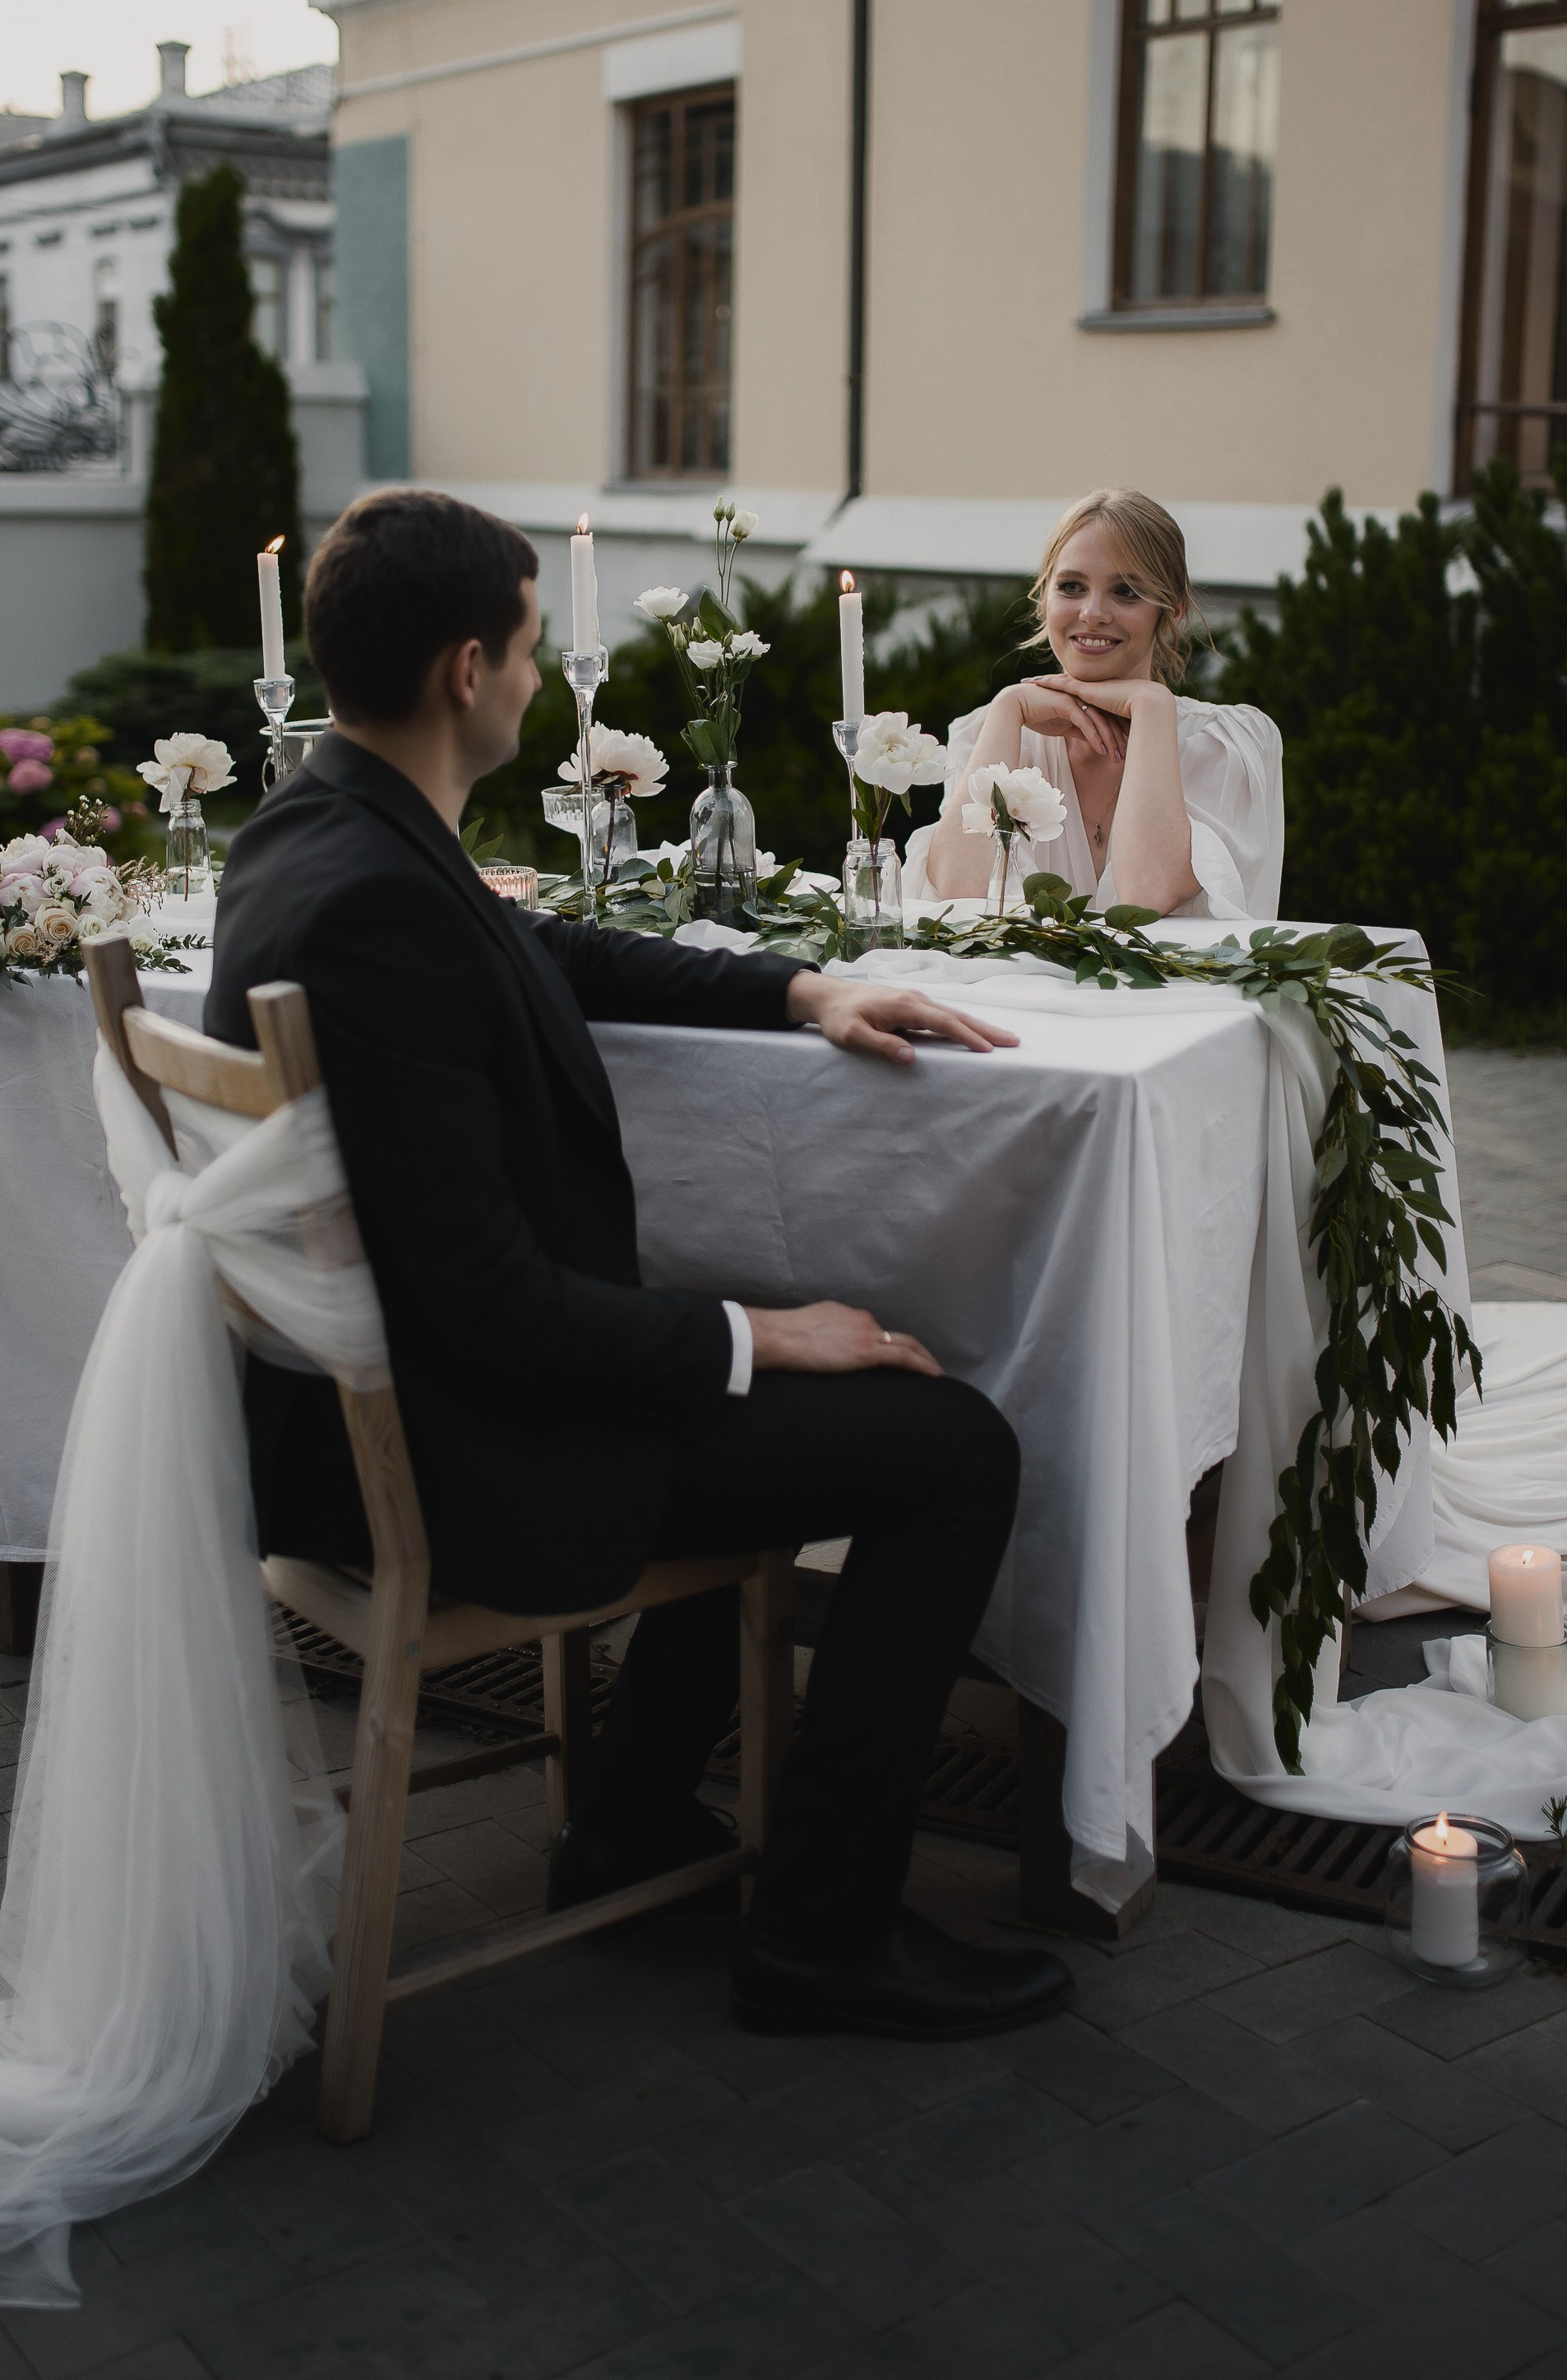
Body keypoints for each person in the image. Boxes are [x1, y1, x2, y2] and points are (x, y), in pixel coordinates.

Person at [206, 488, 1071, 2042]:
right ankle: (821, 1934)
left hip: (373, 1406)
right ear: (468, 668)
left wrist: (803, 990)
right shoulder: (373, 905)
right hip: (454, 1458)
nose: (541, 679)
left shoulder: (318, 825)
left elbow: (542, 948)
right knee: (950, 1448)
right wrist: (757, 1336)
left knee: (772, 1388)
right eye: (532, 647)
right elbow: (492, 1310)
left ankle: (627, 1820)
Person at [906, 487, 1283, 921]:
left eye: (1127, 592)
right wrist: (1008, 707)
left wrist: (1151, 706)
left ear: (1172, 611)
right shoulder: (988, 734)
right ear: (1044, 597)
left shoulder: (1228, 745)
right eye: (1071, 587)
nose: (1093, 613)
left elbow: (1145, 896)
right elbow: (961, 890)